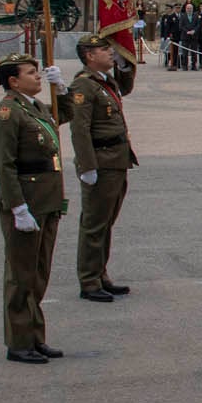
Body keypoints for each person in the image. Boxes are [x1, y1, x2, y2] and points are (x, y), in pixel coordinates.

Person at [0, 54, 71, 364]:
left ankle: (35, 337)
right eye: (31, 73)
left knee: (38, 275)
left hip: (46, 200)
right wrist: (17, 207)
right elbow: (5, 164)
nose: (38, 77)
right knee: (21, 277)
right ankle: (19, 341)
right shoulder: (9, 112)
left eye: (38, 72)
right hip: (27, 202)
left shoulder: (34, 107)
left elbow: (63, 115)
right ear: (13, 81)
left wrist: (60, 88)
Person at [68, 32, 138, 302]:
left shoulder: (104, 81)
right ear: (89, 55)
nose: (110, 53)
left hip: (117, 159)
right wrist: (87, 166)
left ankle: (100, 274)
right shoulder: (84, 86)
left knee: (106, 222)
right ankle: (89, 280)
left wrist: (124, 64)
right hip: (101, 160)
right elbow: (80, 129)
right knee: (94, 224)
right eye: (105, 50)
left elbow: (126, 88)